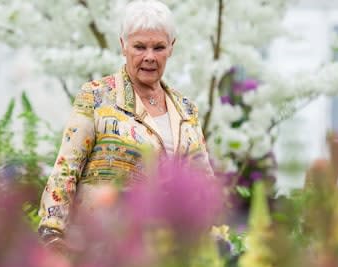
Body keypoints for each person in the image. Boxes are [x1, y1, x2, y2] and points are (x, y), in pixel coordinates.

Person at [38, 0, 213, 249]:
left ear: (171, 48)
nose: (149, 57)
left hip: (170, 255)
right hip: (104, 248)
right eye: (139, 47)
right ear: (123, 45)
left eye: (159, 47)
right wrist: (52, 232)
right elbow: (66, 168)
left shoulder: (187, 110)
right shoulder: (97, 96)